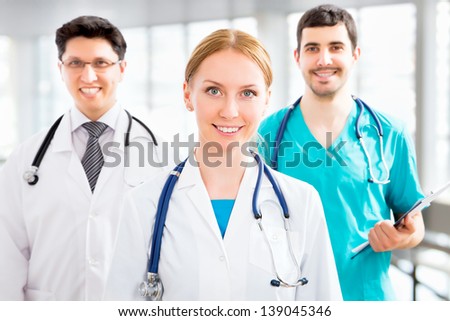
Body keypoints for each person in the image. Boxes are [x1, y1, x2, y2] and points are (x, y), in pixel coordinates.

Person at [104, 29, 341, 300]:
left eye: (248, 93)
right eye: (213, 90)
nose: (229, 111)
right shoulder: (143, 205)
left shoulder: (302, 202)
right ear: (187, 94)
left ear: (266, 100)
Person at [258, 4, 425, 300]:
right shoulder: (268, 133)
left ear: (354, 55)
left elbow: (414, 226)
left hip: (368, 298)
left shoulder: (391, 133)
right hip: (294, 300)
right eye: (312, 48)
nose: (324, 59)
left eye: (336, 47)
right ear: (297, 57)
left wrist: (400, 237)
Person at [0, 16, 170, 300]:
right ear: (60, 69)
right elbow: (7, 255)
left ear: (121, 69)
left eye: (101, 63)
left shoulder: (161, 156)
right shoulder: (25, 159)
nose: (88, 76)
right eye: (75, 63)